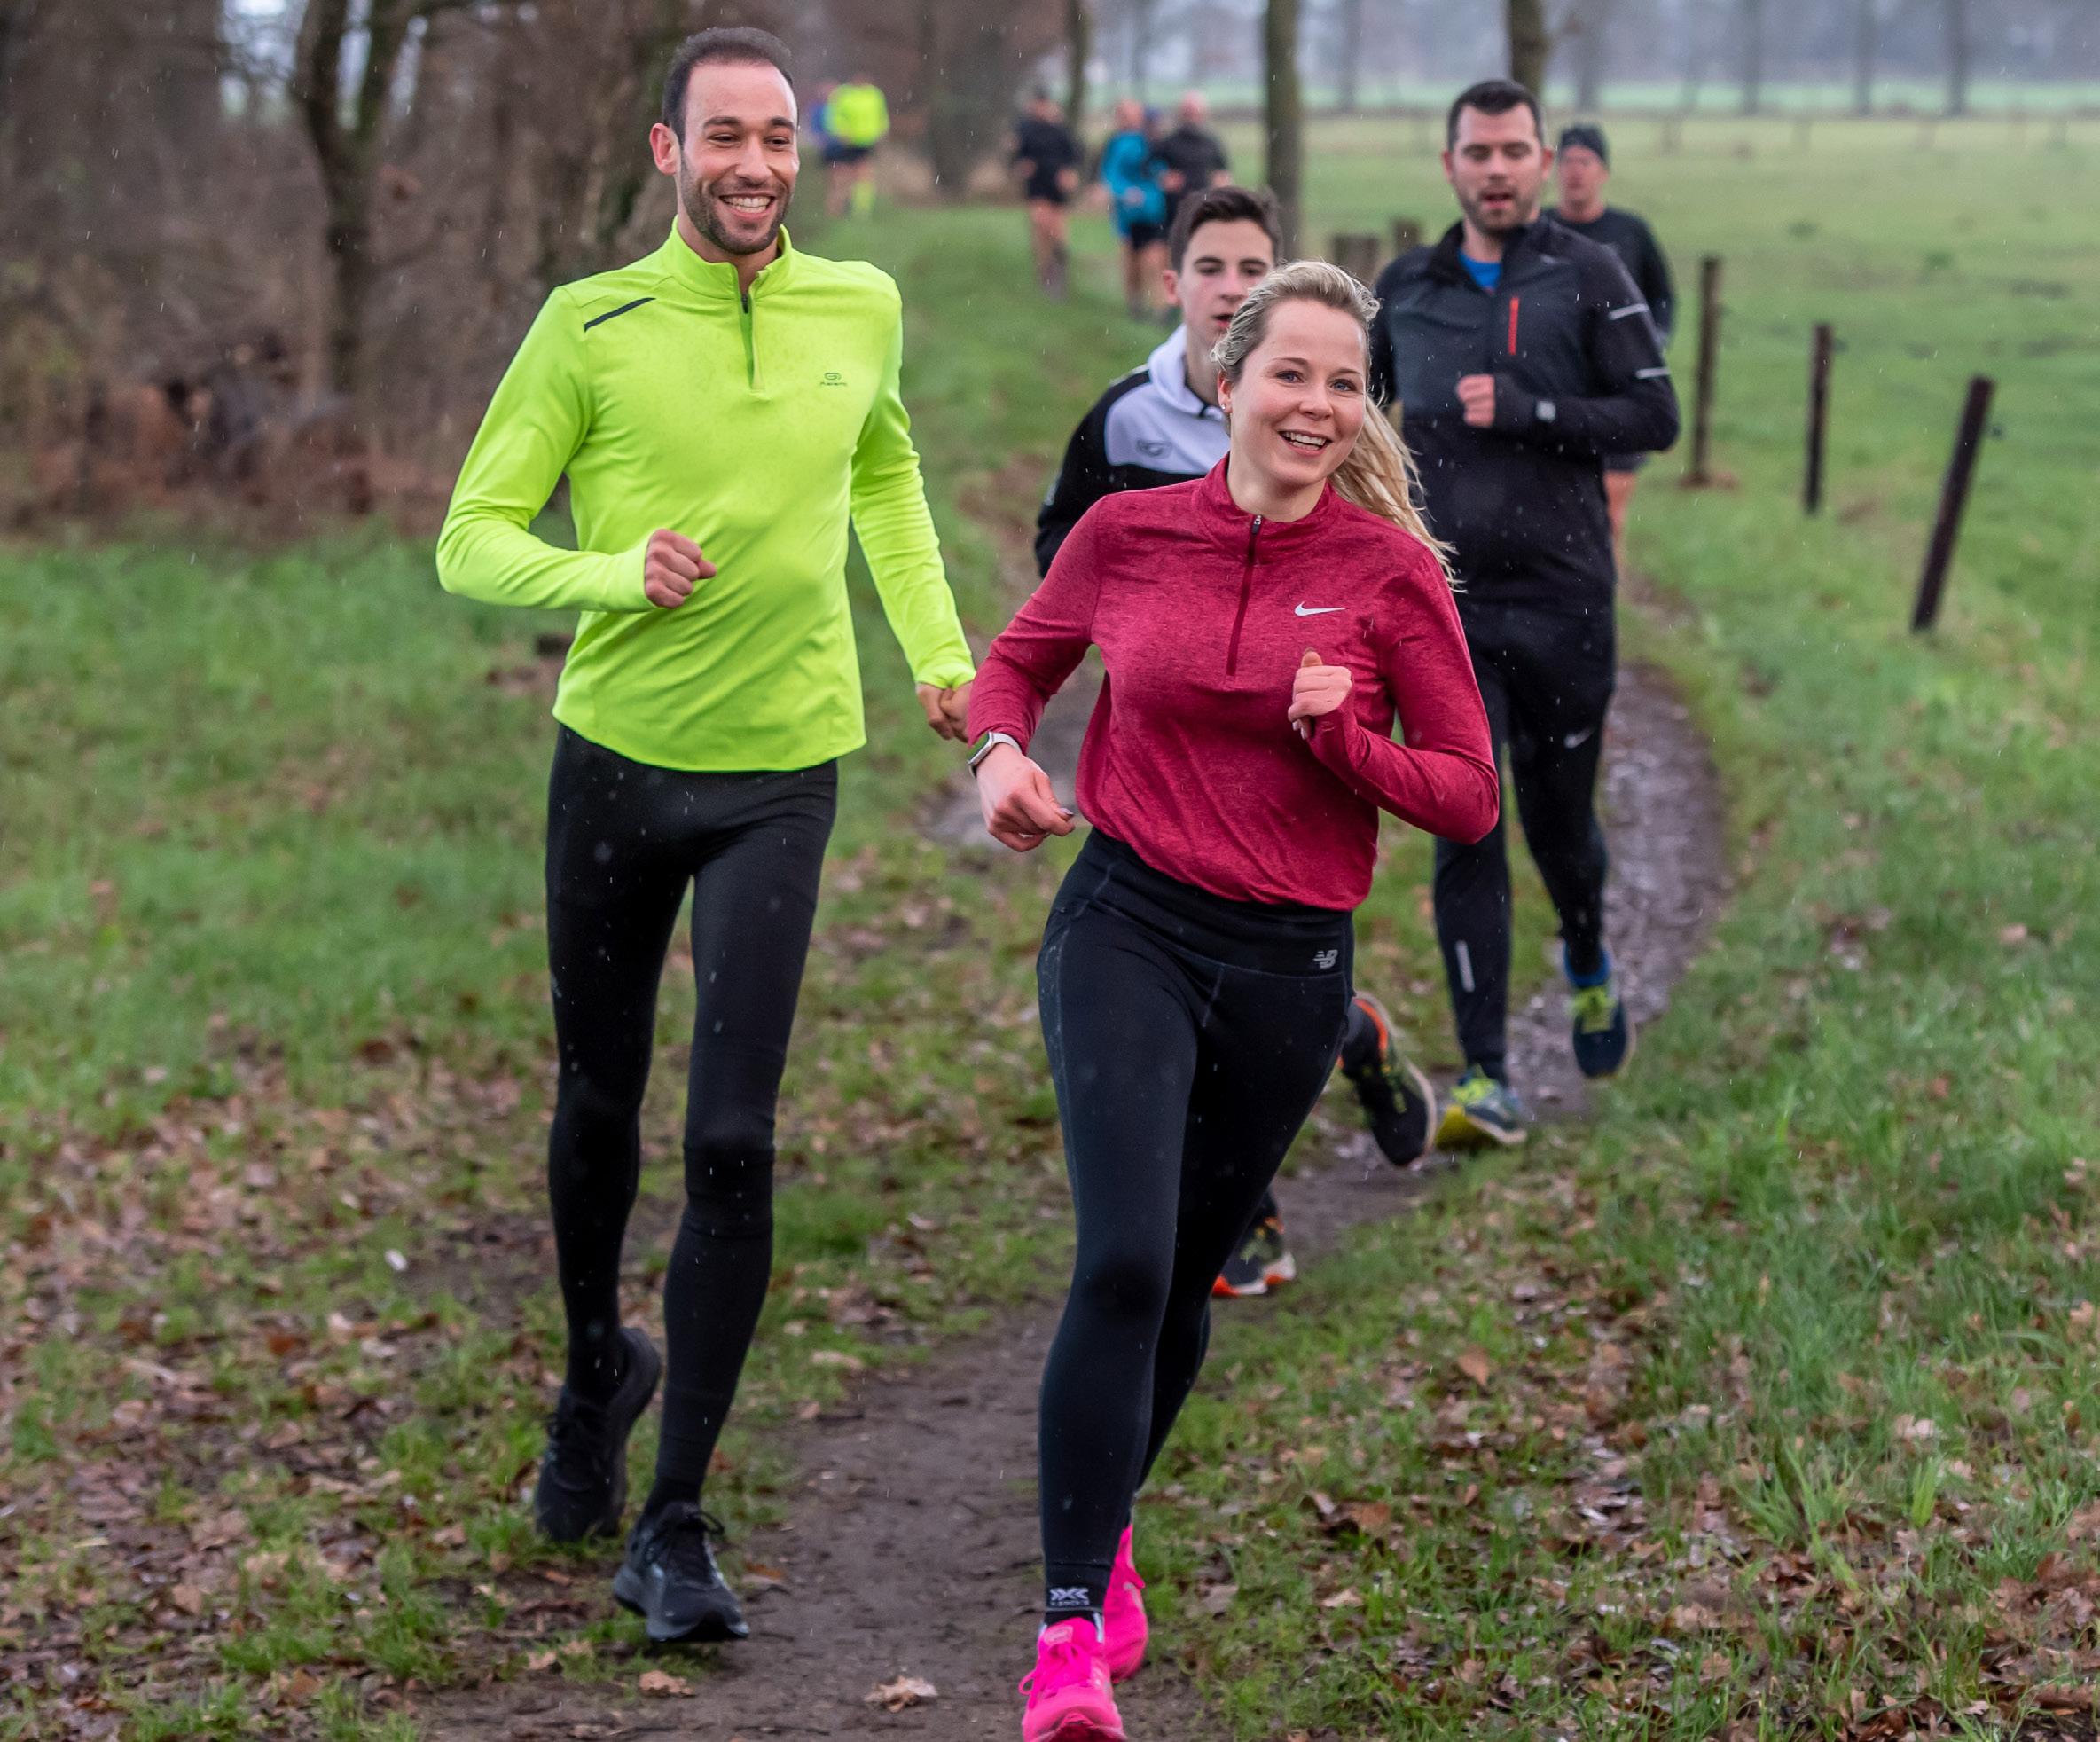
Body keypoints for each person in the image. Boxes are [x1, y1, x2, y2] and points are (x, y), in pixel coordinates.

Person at [435, 27, 975, 1646]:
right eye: (724, 135)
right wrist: (612, 574)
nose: (754, 163)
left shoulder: (860, 304)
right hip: (614, 765)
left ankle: (674, 1519)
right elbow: (471, 537)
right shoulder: (586, 324)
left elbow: (887, 482)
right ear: (669, 149)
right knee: (596, 1100)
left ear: (802, 152)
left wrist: (942, 656)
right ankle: (594, 1368)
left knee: (733, 1135)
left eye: (778, 136)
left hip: (782, 771)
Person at [968, 261, 1498, 1742]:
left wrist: (1348, 747)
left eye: (1344, 382)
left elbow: (1467, 796)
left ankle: (1107, 1516)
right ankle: (1067, 1632)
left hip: (1288, 964)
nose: (1315, 404)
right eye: (1290, 374)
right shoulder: (1128, 533)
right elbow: (1018, 662)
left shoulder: (1390, 574)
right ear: (1226, 381)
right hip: (1125, 921)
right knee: (1123, 1261)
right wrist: (999, 755)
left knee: (1188, 1271)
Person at [1035, 184, 1442, 1299]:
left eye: (1249, 267)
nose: (1228, 286)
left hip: (1286, 845)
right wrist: (1138, 617)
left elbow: (1382, 550)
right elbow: (1061, 549)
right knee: (1153, 1015)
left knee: (1262, 1002)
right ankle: (1239, 1207)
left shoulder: (1315, 402)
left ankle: (1345, 1045)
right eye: (1209, 267)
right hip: (1160, 776)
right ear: (1174, 284)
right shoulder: (1125, 420)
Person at [1367, 79, 1678, 1150]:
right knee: (1467, 822)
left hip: (1564, 602)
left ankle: (1586, 953)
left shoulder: (1590, 275)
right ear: (1447, 165)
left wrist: (1534, 410)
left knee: (1558, 826)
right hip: (1444, 608)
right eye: (1477, 152)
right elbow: (1349, 415)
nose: (1495, 170)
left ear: (1542, 162)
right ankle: (1485, 1073)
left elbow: (1655, 414)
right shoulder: (1405, 288)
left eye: (1513, 151)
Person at [1546, 122, 1677, 564]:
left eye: (1585, 162)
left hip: (1618, 395)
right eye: (1567, 162)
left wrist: (1652, 344)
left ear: (1603, 172)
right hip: (1556, 390)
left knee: (1609, 516)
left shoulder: (1630, 233)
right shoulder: (1538, 231)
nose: (1575, 171)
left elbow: (1661, 296)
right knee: (1555, 515)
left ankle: (1605, 594)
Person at [1099, 98, 1168, 319]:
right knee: (1132, 260)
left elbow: (1161, 168)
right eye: (1124, 116)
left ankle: (1160, 308)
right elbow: (1111, 174)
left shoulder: (1154, 142)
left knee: (1155, 259)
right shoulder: (1118, 144)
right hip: (1128, 215)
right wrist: (1126, 192)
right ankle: (1135, 304)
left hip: (1154, 211)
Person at [1011, 89, 1082, 298]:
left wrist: (1070, 173)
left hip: (1057, 184)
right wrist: (1021, 166)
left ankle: (1058, 271)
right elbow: (1016, 155)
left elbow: (1075, 154)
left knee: (1057, 231)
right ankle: (1045, 272)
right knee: (1041, 224)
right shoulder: (1025, 128)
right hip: (1037, 184)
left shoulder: (1060, 129)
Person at [1149, 90, 1230, 233]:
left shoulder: (1211, 142)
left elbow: (1223, 171)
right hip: (1175, 209)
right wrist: (1162, 176)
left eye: (1195, 112)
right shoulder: (1169, 142)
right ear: (1181, 114)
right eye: (1188, 112)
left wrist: (1221, 186)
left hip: (1205, 206)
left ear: (1203, 114)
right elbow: (1148, 166)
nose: (1192, 117)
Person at [823, 71, 888, 218]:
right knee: (841, 177)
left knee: (864, 176)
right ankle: (836, 208)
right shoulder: (842, 94)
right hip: (845, 143)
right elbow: (833, 117)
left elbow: (881, 116)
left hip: (866, 142)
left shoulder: (875, 94)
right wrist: (842, 132)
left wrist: (881, 132)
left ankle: (861, 210)